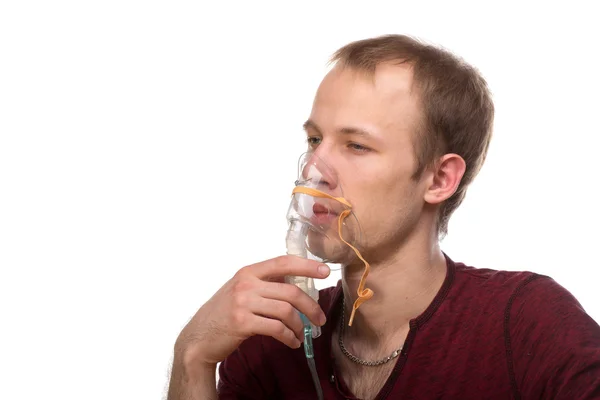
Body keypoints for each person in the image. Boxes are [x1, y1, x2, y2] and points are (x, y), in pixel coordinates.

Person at [166, 34, 600, 400]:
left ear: (439, 178)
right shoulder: (273, 344)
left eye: (356, 145)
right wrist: (194, 353)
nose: (313, 170)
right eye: (315, 139)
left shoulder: (526, 325)